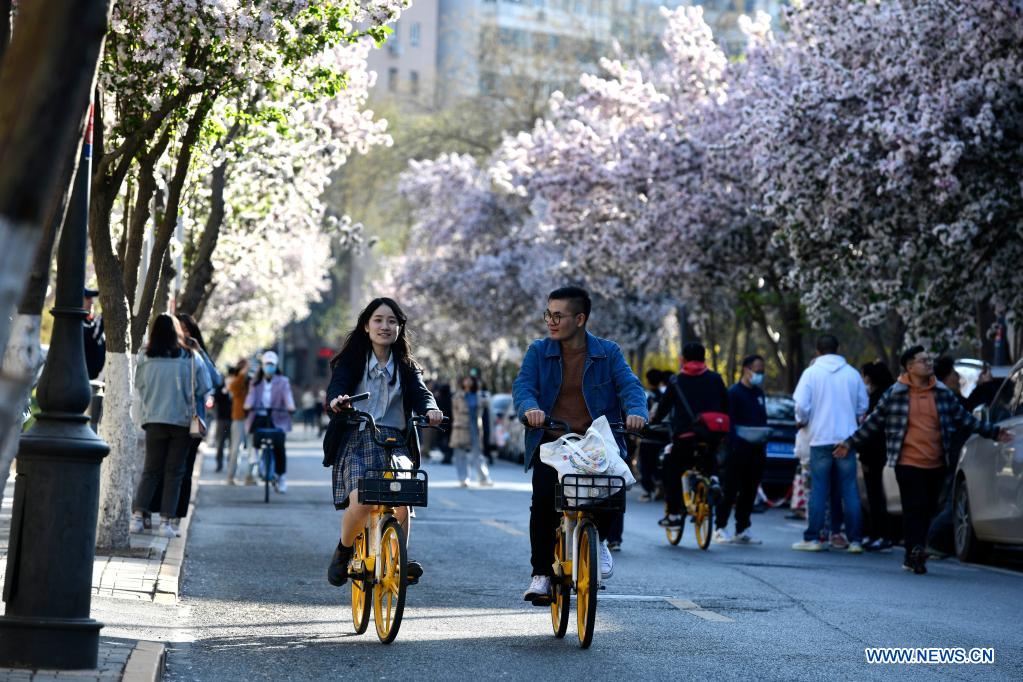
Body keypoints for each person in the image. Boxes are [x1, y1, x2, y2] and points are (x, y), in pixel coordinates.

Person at [513, 286, 648, 603]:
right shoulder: (538, 351)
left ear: (580, 318)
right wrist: (530, 410)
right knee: (545, 502)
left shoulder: (608, 353)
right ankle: (542, 575)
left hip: (595, 445)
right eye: (548, 314)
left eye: (558, 315)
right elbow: (524, 387)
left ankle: (597, 539)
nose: (551, 321)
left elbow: (630, 386)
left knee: (614, 489)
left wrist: (637, 413)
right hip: (554, 444)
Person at [837, 346, 1012, 574]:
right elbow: (873, 422)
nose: (928, 364)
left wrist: (993, 432)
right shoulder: (895, 393)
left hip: (937, 463)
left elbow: (965, 419)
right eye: (922, 361)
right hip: (906, 462)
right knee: (913, 507)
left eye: (929, 360)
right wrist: (849, 443)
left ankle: (917, 549)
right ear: (909, 367)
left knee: (928, 508)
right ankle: (914, 553)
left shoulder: (942, 393)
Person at [324, 298, 444, 588]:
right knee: (363, 501)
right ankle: (343, 550)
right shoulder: (352, 361)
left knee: (404, 499)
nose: (385, 326)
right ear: (366, 326)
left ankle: (399, 556)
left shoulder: (406, 366)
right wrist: (338, 401)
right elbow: (337, 386)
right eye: (378, 320)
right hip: (358, 436)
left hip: (395, 442)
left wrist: (431, 409)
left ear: (399, 328)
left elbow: (421, 393)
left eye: (392, 321)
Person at [130, 314, 211, 538]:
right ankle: (166, 522)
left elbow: (138, 385)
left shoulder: (146, 358)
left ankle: (137, 517)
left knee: (151, 470)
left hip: (153, 419)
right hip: (181, 421)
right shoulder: (190, 357)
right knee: (174, 472)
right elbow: (205, 386)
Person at [791, 335, 868, 553]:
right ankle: (854, 540)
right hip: (846, 440)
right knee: (849, 490)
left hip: (820, 439)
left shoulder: (811, 373)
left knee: (819, 489)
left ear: (817, 351)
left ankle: (814, 537)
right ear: (838, 348)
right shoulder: (852, 374)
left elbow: (801, 407)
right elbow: (863, 406)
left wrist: (803, 421)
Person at [650, 342, 728, 530]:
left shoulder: (676, 380)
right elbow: (726, 405)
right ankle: (714, 480)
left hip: (684, 434)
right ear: (704, 358)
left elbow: (664, 408)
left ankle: (675, 515)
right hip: (711, 432)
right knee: (709, 454)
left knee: (672, 467)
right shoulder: (716, 378)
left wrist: (653, 421)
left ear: (683, 359)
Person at [715, 354, 770, 545]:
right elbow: (729, 421)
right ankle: (720, 527)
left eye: (763, 371)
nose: (761, 375)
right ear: (746, 370)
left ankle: (742, 527)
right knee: (730, 490)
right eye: (758, 371)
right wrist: (734, 443)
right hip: (738, 449)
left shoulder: (759, 394)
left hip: (757, 449)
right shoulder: (734, 393)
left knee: (750, 490)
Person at [244, 350, 296, 493]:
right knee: (254, 429)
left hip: (277, 417)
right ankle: (254, 452)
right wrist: (248, 406)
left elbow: (288, 396)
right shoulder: (255, 382)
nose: (269, 367)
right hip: (259, 414)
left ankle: (281, 477)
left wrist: (290, 407)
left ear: (276, 365)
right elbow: (251, 397)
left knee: (280, 447)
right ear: (262, 365)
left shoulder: (283, 381)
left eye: (272, 364)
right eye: (267, 364)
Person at [859, 361, 896, 552]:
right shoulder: (887, 395)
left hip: (873, 454)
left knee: (875, 496)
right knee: (875, 495)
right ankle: (879, 534)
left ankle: (881, 534)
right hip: (880, 453)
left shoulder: (876, 399)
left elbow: (870, 430)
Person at [451, 376, 493, 487]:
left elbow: (486, 407)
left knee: (477, 453)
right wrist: (458, 423)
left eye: (470, 380)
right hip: (461, 427)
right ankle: (463, 479)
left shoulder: (479, 395)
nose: (468, 382)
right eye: (466, 379)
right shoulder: (457, 396)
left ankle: (483, 478)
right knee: (460, 453)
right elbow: (454, 413)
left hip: (475, 426)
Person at [638, 369, 669, 502]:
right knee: (659, 464)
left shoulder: (645, 395)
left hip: (649, 435)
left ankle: (646, 491)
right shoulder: (665, 395)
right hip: (664, 435)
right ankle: (659, 484)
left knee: (645, 465)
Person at [226, 358, 251, 485]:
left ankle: (250, 477)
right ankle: (231, 476)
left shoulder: (252, 381)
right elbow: (233, 388)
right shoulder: (235, 380)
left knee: (252, 450)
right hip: (239, 418)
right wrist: (242, 374)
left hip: (252, 418)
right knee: (236, 448)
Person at [213, 366, 234, 472]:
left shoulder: (236, 388)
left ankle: (231, 465)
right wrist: (225, 391)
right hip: (222, 419)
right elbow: (215, 399)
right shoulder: (221, 387)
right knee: (220, 442)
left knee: (232, 444)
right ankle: (219, 463)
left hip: (233, 420)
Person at [83, 287, 106, 380]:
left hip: (97, 379)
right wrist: (106, 312)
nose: (91, 302)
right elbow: (93, 335)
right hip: (86, 380)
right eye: (88, 298)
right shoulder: (76, 324)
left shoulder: (91, 322)